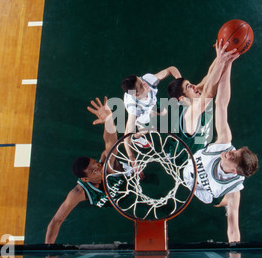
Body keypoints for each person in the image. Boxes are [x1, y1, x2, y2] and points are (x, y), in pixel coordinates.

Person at [181, 42, 259, 243]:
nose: (229, 152)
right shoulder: (225, 143)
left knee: (222, 202)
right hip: (192, 165)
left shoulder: (232, 188)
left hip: (208, 193)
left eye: (233, 157)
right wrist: (227, 63)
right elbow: (222, 102)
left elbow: (233, 231)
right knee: (209, 104)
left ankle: (224, 204)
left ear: (234, 171)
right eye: (235, 150)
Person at [45, 97, 125, 245]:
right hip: (117, 205)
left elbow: (110, 141)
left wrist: (108, 120)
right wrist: (49, 255)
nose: (99, 168)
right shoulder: (79, 192)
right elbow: (56, 220)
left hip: (129, 184)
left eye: (96, 164)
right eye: (93, 171)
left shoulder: (106, 164)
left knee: (110, 154)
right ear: (86, 179)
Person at [167, 39, 239, 154]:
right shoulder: (189, 114)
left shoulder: (193, 97)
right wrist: (222, 61)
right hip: (188, 163)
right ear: (182, 98)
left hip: (200, 151)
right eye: (188, 87)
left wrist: (222, 54)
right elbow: (209, 93)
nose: (194, 86)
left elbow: (208, 77)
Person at [121, 67, 182, 164]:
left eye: (141, 80)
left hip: (151, 102)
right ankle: (136, 137)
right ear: (136, 94)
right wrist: (132, 159)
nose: (144, 83)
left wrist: (180, 82)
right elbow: (126, 137)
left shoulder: (148, 80)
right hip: (143, 111)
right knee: (149, 127)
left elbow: (171, 69)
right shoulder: (134, 109)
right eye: (141, 85)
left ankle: (150, 119)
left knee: (164, 112)